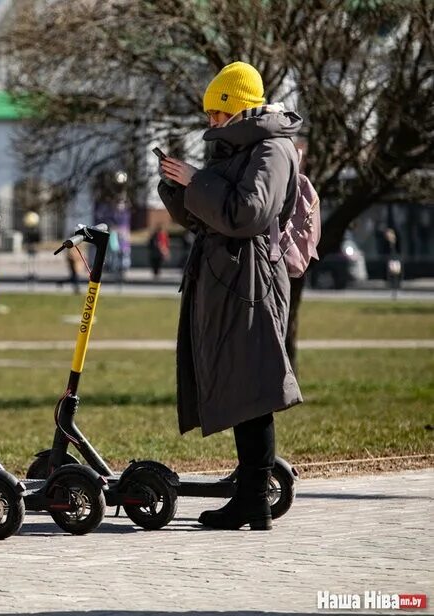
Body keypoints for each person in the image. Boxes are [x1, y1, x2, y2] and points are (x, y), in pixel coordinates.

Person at [157, 61, 303, 531]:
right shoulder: (233, 149)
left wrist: (198, 181)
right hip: (228, 281)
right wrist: (177, 189)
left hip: (253, 282)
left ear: (239, 109)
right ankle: (250, 494)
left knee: (254, 387)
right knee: (241, 384)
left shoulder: (273, 150)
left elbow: (248, 213)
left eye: (218, 114)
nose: (211, 124)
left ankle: (253, 500)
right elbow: (208, 218)